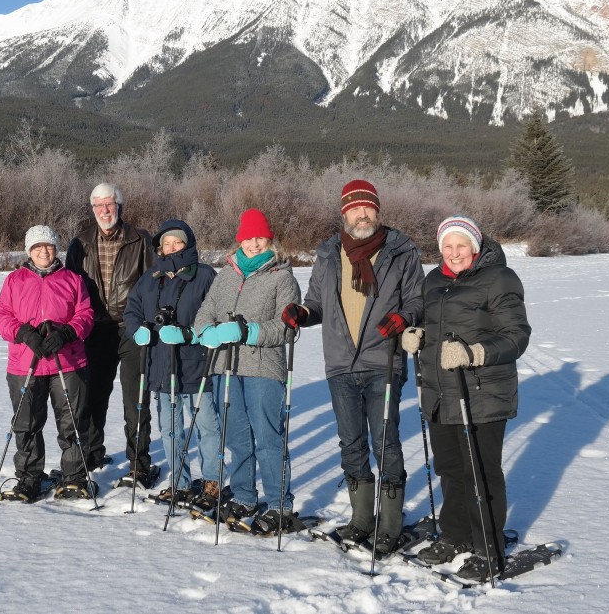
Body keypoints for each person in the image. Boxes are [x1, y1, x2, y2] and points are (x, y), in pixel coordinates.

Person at [282, 179, 424, 554]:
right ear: (344, 213)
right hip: (341, 362)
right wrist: (301, 312)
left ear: (377, 210)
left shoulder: (401, 249)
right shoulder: (329, 252)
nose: (362, 214)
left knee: (385, 441)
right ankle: (361, 519)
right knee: (351, 442)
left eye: (368, 208)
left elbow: (416, 300)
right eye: (355, 208)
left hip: (384, 359)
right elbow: (316, 301)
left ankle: (391, 523)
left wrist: (403, 318)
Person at [402, 216, 530, 581]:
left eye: (461, 246)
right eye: (447, 246)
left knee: (481, 474)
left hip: (482, 393)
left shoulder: (500, 278)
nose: (454, 253)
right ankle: (455, 535)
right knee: (451, 471)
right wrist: (419, 335)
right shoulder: (434, 280)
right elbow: (440, 328)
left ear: (475, 247)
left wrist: (474, 353)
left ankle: (488, 548)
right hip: (441, 392)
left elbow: (517, 335)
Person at [192, 208, 301, 534]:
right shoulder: (226, 274)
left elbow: (287, 328)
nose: (254, 243)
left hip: (263, 367)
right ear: (239, 239)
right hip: (225, 366)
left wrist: (248, 332)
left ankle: (280, 504)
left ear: (269, 239)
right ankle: (243, 495)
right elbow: (205, 312)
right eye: (248, 237)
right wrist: (205, 332)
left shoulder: (282, 276)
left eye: (260, 237)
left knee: (268, 437)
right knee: (237, 438)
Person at [0, 225, 95, 501]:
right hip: (26, 364)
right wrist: (23, 333)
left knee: (72, 422)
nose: (43, 251)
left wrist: (67, 333)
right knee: (26, 424)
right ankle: (29, 477)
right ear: (29, 251)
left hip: (67, 362)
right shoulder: (15, 280)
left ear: (55, 248)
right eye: (37, 247)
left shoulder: (72, 279)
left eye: (48, 246)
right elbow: (1, 314)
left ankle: (73, 476)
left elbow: (85, 313)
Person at [123, 219, 221, 507]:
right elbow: (132, 309)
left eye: (177, 242)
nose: (171, 247)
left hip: (196, 364)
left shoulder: (204, 276)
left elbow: (215, 317)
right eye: (166, 243)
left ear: (187, 244)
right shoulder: (151, 277)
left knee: (206, 425)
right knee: (169, 428)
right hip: (161, 364)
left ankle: (212, 480)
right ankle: (179, 482)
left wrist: (189, 335)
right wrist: (137, 329)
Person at [66, 183, 157, 488]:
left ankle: (139, 464)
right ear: (92, 210)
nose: (105, 210)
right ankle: (92, 454)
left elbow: (152, 283)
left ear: (120, 205)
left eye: (110, 204)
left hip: (132, 329)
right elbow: (70, 288)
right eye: (98, 206)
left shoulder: (140, 239)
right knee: (93, 397)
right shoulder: (80, 243)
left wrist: (147, 321)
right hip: (94, 331)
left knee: (135, 399)